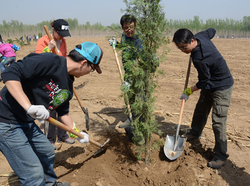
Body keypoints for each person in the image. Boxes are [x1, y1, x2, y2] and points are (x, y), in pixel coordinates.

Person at [0, 41, 103, 186]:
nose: (89, 73)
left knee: (47, 151)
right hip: (6, 121)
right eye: (92, 69)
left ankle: (49, 183)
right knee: (33, 174)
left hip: (26, 122)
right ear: (84, 63)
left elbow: (64, 112)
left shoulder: (67, 85)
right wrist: (29, 107)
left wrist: (77, 133)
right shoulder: (49, 61)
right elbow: (10, 73)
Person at [173, 28, 234, 169]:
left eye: (184, 47)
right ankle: (195, 132)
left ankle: (221, 156)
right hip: (210, 85)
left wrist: (188, 91)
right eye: (179, 48)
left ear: (192, 40)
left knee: (218, 121)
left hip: (222, 86)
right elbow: (211, 31)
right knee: (201, 109)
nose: (183, 50)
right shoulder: (201, 36)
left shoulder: (200, 57)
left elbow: (203, 81)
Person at [36, 19, 75, 148]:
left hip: (59, 77)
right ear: (54, 30)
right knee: (52, 109)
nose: (63, 37)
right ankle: (50, 139)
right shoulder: (43, 41)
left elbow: (63, 58)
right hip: (47, 79)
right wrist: (49, 48)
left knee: (62, 104)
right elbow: (37, 61)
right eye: (61, 33)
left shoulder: (63, 41)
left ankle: (63, 136)